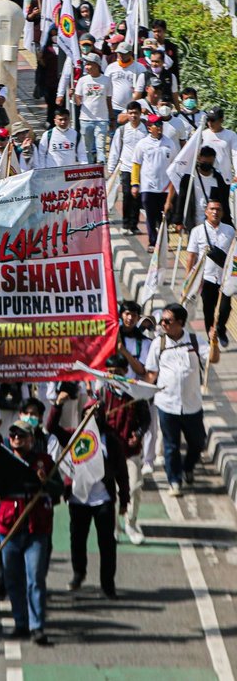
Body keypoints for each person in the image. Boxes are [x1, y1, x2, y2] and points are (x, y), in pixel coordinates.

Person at [47, 398, 129, 598]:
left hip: (103, 500)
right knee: (77, 539)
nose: (92, 416)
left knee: (107, 544)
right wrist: (58, 405)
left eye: (96, 412)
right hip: (78, 500)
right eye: (88, 412)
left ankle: (107, 585)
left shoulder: (110, 439)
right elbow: (51, 427)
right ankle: (78, 573)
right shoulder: (73, 436)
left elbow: (122, 472)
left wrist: (124, 499)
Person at [145, 303, 220, 495]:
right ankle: (174, 481)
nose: (163, 324)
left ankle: (188, 467)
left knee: (198, 442)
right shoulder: (158, 344)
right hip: (167, 405)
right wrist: (143, 391)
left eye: (167, 320)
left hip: (192, 404)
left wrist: (214, 342)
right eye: (162, 320)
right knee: (171, 445)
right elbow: (151, 372)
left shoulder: (195, 341)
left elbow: (213, 359)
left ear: (180, 323)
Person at [0, 420, 60, 645]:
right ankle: (20, 622)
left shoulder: (45, 461)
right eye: (13, 435)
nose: (17, 439)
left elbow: (59, 491)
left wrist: (47, 483)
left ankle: (37, 626)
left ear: (32, 439)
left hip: (36, 529)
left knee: (35, 579)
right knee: (13, 579)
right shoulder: (2, 460)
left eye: (22, 435)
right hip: (9, 527)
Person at [102, 354, 151, 545]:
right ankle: (114, 528)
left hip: (130, 452)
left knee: (134, 487)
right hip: (109, 452)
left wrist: (137, 434)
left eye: (117, 372)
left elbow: (145, 420)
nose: (113, 376)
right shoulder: (102, 394)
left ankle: (130, 523)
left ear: (125, 372)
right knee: (110, 491)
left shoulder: (135, 394)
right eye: (110, 373)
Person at [186, 200, 235, 344]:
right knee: (208, 310)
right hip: (206, 277)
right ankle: (210, 336)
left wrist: (234, 274)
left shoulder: (230, 231)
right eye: (212, 209)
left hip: (225, 278)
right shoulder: (197, 231)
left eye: (218, 209)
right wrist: (189, 279)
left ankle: (220, 328)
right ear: (206, 212)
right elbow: (191, 256)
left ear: (222, 213)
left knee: (226, 308)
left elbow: (235, 255)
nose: (215, 212)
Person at [131, 114, 178, 251]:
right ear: (149, 128)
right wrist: (135, 184)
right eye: (156, 125)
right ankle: (152, 242)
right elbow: (136, 164)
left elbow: (174, 164)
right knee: (151, 217)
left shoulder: (169, 143)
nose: (159, 127)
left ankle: (164, 241)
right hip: (148, 187)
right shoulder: (142, 144)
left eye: (160, 125)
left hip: (165, 187)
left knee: (164, 216)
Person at [107, 101, 147, 235]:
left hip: (142, 169)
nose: (133, 116)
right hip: (126, 167)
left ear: (140, 114)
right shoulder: (122, 130)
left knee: (137, 197)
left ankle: (134, 225)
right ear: (127, 114)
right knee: (127, 195)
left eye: (136, 113)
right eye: (131, 113)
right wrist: (111, 169)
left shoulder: (146, 130)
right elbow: (115, 149)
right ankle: (125, 224)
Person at [172, 145, 232, 231]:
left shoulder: (219, 179)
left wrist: (228, 222)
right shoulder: (189, 178)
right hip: (194, 222)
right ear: (199, 159)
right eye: (205, 162)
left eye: (209, 163)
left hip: (214, 223)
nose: (207, 165)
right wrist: (178, 221)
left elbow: (224, 203)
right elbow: (181, 199)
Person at [74, 53, 113, 163]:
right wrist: (74, 96)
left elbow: (108, 100)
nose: (86, 67)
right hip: (86, 119)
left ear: (97, 65)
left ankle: (100, 168)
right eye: (86, 64)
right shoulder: (83, 80)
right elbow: (78, 102)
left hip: (102, 119)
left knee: (101, 147)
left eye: (89, 64)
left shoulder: (106, 80)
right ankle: (90, 169)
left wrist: (111, 118)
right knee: (87, 149)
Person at [200, 106, 237, 187]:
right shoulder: (203, 134)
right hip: (207, 177)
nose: (210, 123)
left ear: (221, 120)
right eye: (208, 119)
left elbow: (235, 155)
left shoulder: (231, 135)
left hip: (224, 178)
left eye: (213, 120)